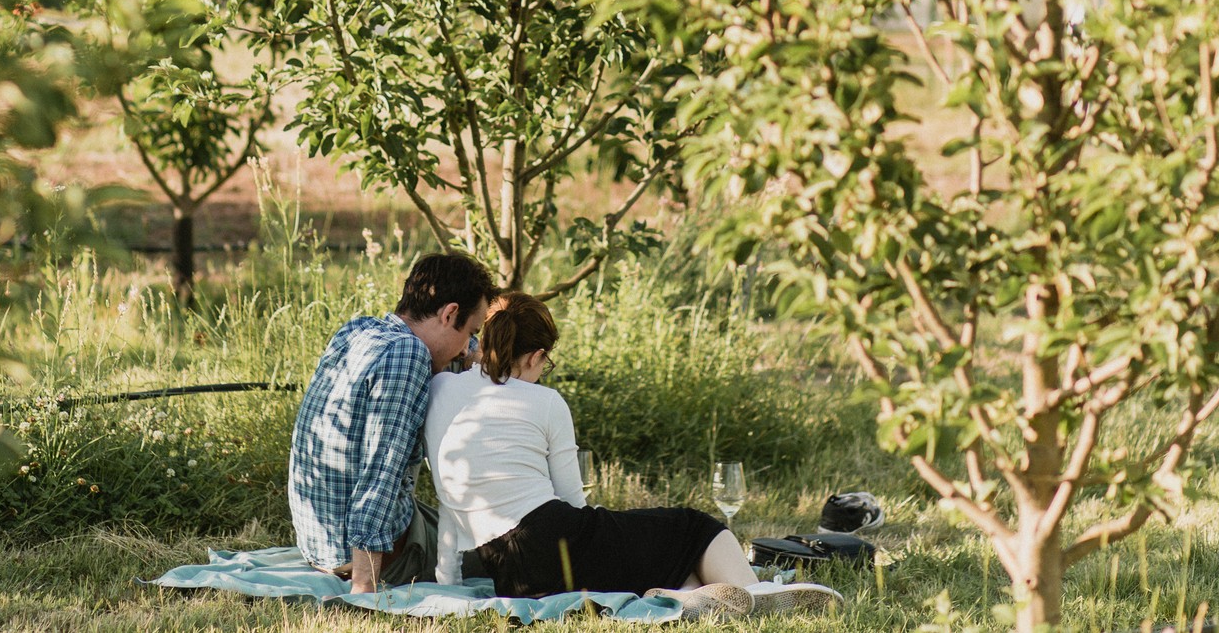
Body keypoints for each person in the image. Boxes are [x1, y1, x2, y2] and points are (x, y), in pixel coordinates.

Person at [425, 293, 831, 619]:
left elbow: (447, 498)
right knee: (691, 527)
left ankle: (693, 596)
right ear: (534, 356)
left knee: (653, 549)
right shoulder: (545, 401)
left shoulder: (442, 389)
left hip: (507, 572)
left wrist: (448, 578)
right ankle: (757, 595)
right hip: (553, 540)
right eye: (545, 362)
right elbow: (571, 499)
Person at [288, 252, 497, 593]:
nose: (465, 350)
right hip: (372, 555)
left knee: (470, 522)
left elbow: (462, 351)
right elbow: (380, 472)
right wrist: (364, 585)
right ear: (450, 313)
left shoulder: (359, 330)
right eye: (471, 331)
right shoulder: (409, 356)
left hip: (320, 543)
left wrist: (472, 349)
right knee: (511, 548)